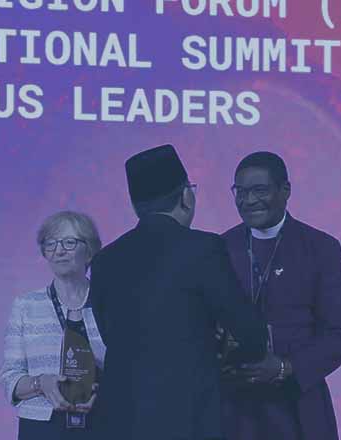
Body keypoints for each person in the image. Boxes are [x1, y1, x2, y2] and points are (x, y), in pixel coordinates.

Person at [90, 144, 268, 440]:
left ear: (136, 206)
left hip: (120, 418)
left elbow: (109, 333)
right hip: (186, 415)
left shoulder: (104, 260)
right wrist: (229, 360)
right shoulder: (204, 248)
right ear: (187, 196)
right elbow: (249, 331)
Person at [220, 151, 341, 440]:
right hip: (234, 407)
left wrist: (285, 367)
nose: (248, 201)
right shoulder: (220, 248)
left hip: (299, 404)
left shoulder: (320, 248)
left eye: (259, 190)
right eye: (240, 191)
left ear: (285, 191)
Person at [0, 210, 106, 439]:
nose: (58, 251)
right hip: (42, 426)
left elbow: (127, 370)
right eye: (50, 244)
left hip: (101, 420)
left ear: (90, 251)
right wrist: (41, 383)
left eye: (69, 242)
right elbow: (10, 378)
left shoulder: (109, 303)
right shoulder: (26, 305)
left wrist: (103, 390)